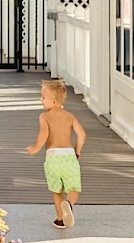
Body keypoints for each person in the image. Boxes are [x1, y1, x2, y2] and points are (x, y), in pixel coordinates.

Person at [24, 78, 87, 229]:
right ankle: (69, 205)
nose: (40, 99)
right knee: (73, 188)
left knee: (56, 191)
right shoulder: (69, 116)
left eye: (43, 97)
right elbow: (82, 134)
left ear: (54, 101)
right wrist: (77, 150)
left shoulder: (44, 116)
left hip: (53, 158)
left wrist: (35, 148)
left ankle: (60, 219)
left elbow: (43, 134)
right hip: (69, 157)